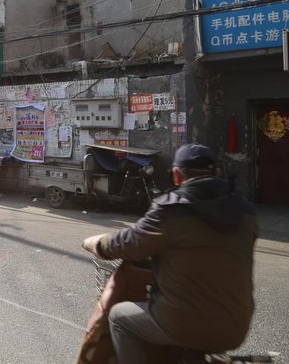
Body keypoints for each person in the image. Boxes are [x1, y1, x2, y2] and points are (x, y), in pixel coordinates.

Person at [81, 143, 257, 363]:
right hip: (236, 327)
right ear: (217, 173)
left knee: (118, 318)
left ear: (176, 175)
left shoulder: (171, 209)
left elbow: (125, 244)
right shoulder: (247, 212)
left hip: (182, 325)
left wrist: (94, 242)